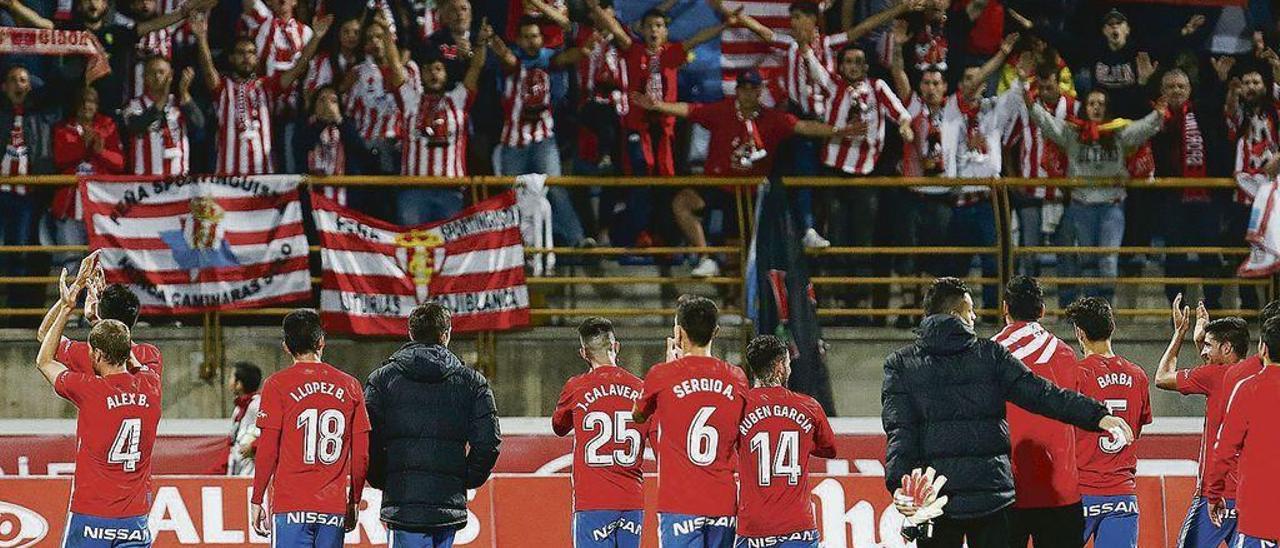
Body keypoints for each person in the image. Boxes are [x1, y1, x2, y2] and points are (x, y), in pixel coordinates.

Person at [882, 277, 1131, 548]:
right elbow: (1043, 395)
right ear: (956, 315)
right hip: (992, 498)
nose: (975, 315)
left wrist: (900, 486)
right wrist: (1098, 415)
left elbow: (900, 434)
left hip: (935, 500)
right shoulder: (990, 356)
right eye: (969, 310)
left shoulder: (900, 365)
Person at [631, 70, 848, 278]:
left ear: (759, 91)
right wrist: (658, 105)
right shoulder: (721, 111)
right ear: (737, 90)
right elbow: (689, 109)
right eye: (743, 88)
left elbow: (803, 127)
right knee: (682, 203)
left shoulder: (772, 118)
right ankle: (705, 257)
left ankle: (735, 302)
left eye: (752, 88)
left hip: (751, 192)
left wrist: (838, 131)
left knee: (740, 250)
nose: (747, 93)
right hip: (718, 184)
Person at [34, 262, 162, 547]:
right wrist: (102, 323)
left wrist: (72, 299)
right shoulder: (151, 369)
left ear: (98, 353)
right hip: (135, 516)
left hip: (92, 512)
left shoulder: (88, 374)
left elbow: (45, 341)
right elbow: (131, 360)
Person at [1014, 70, 1166, 306]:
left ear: (1107, 108)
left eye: (1101, 104)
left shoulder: (1117, 132)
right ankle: (1092, 309)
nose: (1096, 107)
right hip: (1081, 205)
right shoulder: (1072, 133)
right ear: (1085, 106)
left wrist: (1158, 114)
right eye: (1092, 103)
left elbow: (1142, 129)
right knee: (1087, 261)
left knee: (1107, 260)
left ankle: (1105, 308)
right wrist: (1030, 104)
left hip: (1111, 206)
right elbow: (1046, 123)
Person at [364, 303, 501, 547]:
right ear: (446, 334)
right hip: (446, 503)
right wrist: (463, 479)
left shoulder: (382, 380)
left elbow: (368, 439)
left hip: (403, 504)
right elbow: (488, 443)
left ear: (410, 333)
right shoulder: (473, 383)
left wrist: (382, 478)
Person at [1156, 298, 1275, 548]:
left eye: (1208, 346)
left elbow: (1162, 377)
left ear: (1227, 347)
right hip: (1252, 498)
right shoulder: (1258, 377)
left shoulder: (1212, 376)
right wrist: (1204, 341)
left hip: (1215, 495)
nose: (1203, 351)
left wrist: (1180, 334)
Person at [633, 296, 748, 548]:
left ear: (680, 331)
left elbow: (638, 415)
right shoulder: (737, 378)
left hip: (679, 503)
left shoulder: (661, 375)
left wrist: (670, 368)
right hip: (723, 502)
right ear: (716, 331)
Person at [249, 309, 370, 545]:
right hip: (332, 507)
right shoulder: (351, 386)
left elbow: (267, 450)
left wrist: (257, 499)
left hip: (290, 505)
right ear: (321, 341)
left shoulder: (276, 385)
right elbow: (362, 455)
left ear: (286, 346)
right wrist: (354, 500)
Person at [992, 276, 1084, 548]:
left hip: (1007, 488)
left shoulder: (989, 354)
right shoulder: (1066, 354)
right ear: (1042, 311)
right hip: (1060, 490)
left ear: (1004, 307)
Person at [191, 8, 333, 176]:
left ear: (257, 58)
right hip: (228, 176)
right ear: (231, 58)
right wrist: (201, 38)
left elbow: (298, 69)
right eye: (241, 53)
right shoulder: (222, 86)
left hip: (264, 175)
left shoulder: (267, 86)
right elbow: (208, 69)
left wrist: (315, 38)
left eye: (251, 53)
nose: (246, 57)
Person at [734, 334, 836, 548]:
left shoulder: (738, 407)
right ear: (780, 366)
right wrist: (802, 441)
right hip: (797, 528)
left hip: (753, 528)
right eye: (788, 363)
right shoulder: (809, 407)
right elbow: (829, 449)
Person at [552, 317, 646, 548]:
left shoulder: (576, 387)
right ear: (616, 347)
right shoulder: (641, 388)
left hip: (592, 502)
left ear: (584, 353)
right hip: (632, 500)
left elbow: (559, 427)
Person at [1065, 297, 1152, 548]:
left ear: (1079, 333)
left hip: (1079, 493)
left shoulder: (1074, 375)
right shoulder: (1138, 376)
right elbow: (1135, 429)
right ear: (1111, 328)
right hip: (1122, 495)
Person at [384, 18, 489, 225]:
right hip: (414, 191)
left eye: (439, 69)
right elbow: (395, 66)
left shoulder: (458, 99)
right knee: (413, 249)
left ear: (446, 73)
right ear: (421, 75)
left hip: (451, 192)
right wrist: (387, 35)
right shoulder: (410, 100)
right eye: (429, 69)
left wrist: (482, 43)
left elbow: (476, 67)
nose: (433, 73)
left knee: (449, 252)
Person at [1205, 316, 1280, 547]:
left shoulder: (1248, 389)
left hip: (1259, 520)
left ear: (1262, 348)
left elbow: (1224, 450)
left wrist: (1214, 494)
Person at [49, 86, 123, 277]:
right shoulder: (63, 128)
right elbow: (60, 158)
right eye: (82, 101)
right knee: (70, 259)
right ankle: (70, 304)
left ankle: (94, 305)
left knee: (98, 260)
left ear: (97, 105)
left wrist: (100, 152)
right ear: (75, 105)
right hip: (70, 207)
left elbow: (119, 162)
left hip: (100, 207)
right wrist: (84, 144)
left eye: (91, 101)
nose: (86, 105)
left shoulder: (108, 126)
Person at [122, 56, 204, 176]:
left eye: (161, 72)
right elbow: (136, 127)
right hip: (144, 182)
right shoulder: (133, 106)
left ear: (170, 75)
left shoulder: (179, 102)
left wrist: (184, 93)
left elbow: (199, 124)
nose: (157, 77)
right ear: (144, 77)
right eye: (152, 73)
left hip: (178, 182)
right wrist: (162, 99)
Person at [227, 361, 263, 477]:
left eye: (231, 377)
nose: (229, 381)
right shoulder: (238, 409)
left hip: (253, 472)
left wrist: (254, 446)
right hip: (238, 469)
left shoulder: (258, 405)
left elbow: (273, 433)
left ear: (239, 384)